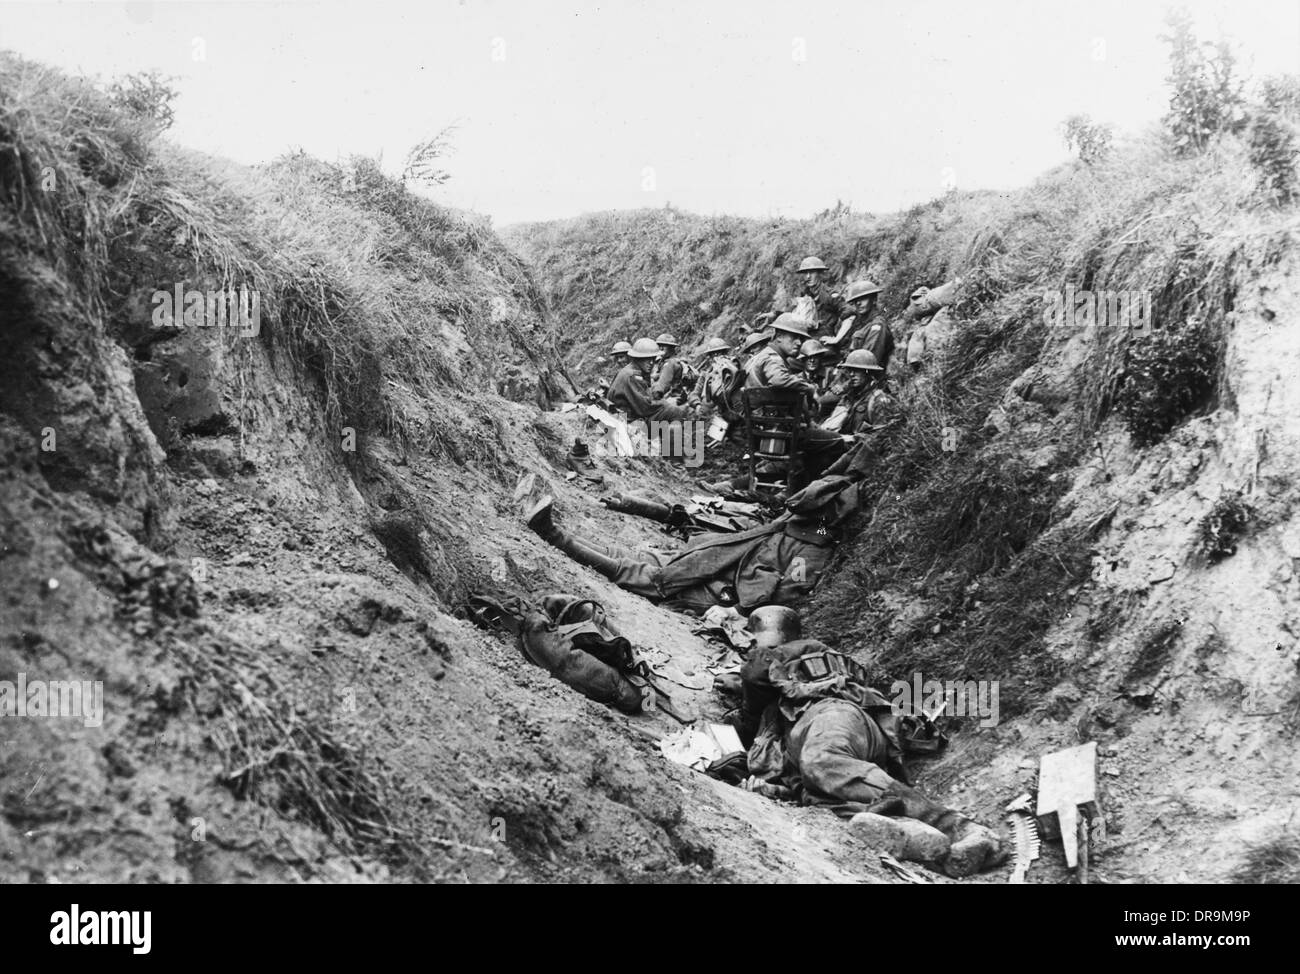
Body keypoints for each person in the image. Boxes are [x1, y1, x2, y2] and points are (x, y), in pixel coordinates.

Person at [735, 634, 1006, 878]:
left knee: (822, 760)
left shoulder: (797, 656)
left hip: (834, 716)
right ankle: (925, 841)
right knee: (824, 799)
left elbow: (755, 672)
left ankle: (965, 829)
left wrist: (747, 704)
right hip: (822, 750)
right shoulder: (779, 723)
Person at [521, 475, 862, 612]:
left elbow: (789, 593)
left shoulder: (813, 546)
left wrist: (737, 603)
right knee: (642, 555)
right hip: (714, 557)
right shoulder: (788, 524)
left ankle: (552, 535)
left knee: (648, 577)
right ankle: (552, 528)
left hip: (725, 586)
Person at [608, 337, 692, 422]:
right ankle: (686, 435)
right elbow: (645, 407)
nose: (651, 362)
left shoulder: (631, 370)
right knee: (675, 411)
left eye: (653, 358)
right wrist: (665, 403)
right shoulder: (631, 375)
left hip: (627, 416)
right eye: (647, 359)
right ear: (637, 358)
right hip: (628, 421)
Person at [789, 256, 845, 337]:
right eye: (805, 273)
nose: (808, 276)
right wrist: (774, 314)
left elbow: (850, 315)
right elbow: (790, 314)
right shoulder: (803, 295)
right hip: (803, 337)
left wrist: (837, 339)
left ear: (820, 273)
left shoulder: (830, 295)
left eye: (812, 272)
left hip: (823, 341)